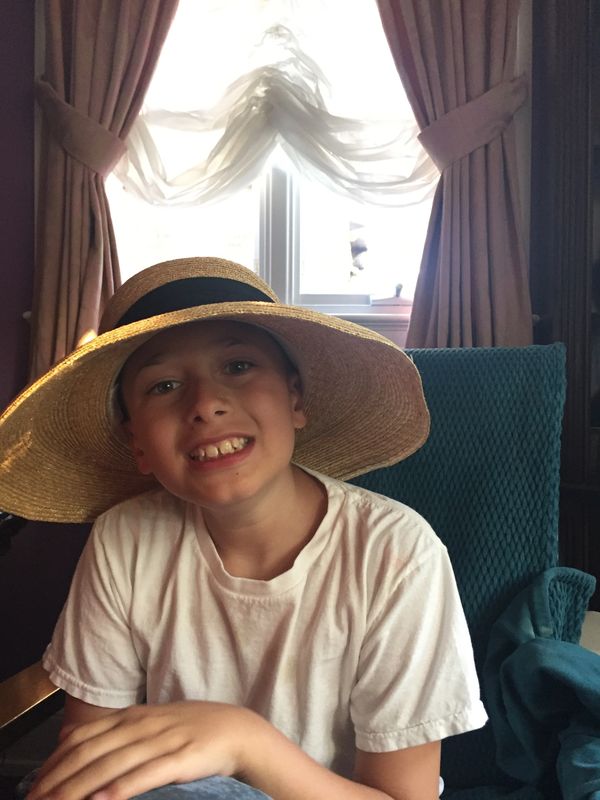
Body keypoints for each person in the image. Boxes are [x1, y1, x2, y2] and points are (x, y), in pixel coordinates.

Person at [0, 257, 487, 800]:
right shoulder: (124, 538)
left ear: (295, 397)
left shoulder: (396, 553)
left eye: (237, 366)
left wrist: (244, 742)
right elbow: (91, 758)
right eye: (163, 385)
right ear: (137, 441)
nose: (205, 404)